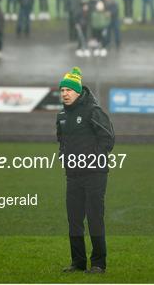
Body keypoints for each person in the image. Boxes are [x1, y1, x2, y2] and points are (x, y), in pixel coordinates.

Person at [56, 67, 115, 274]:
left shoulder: (93, 110)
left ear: (78, 91)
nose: (64, 93)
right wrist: (64, 157)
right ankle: (78, 262)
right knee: (74, 220)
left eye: (68, 90)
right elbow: (61, 141)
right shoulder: (62, 115)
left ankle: (98, 263)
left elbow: (108, 138)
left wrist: (93, 158)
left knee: (94, 218)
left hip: (95, 175)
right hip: (73, 176)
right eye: (62, 90)